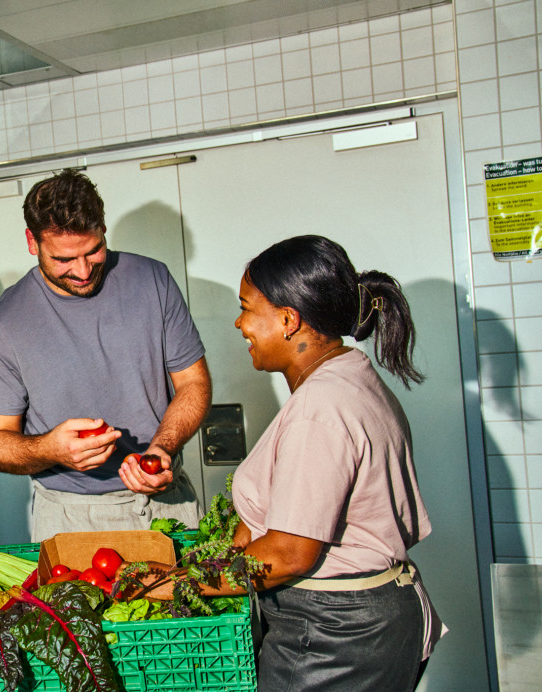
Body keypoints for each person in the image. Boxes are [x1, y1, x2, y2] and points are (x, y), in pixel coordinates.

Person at [136, 235, 446, 691]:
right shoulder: (350, 374)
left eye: (246, 308)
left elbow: (287, 554)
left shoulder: (320, 409)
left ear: (287, 319)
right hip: (368, 618)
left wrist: (178, 583)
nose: (240, 324)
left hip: (336, 635)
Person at [0, 169, 211, 541]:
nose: (83, 271)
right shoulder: (4, 322)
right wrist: (50, 449)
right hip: (69, 518)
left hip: (166, 501)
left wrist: (162, 448)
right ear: (32, 242)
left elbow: (193, 383)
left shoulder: (153, 280)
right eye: (64, 259)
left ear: (102, 229)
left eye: (93, 250)